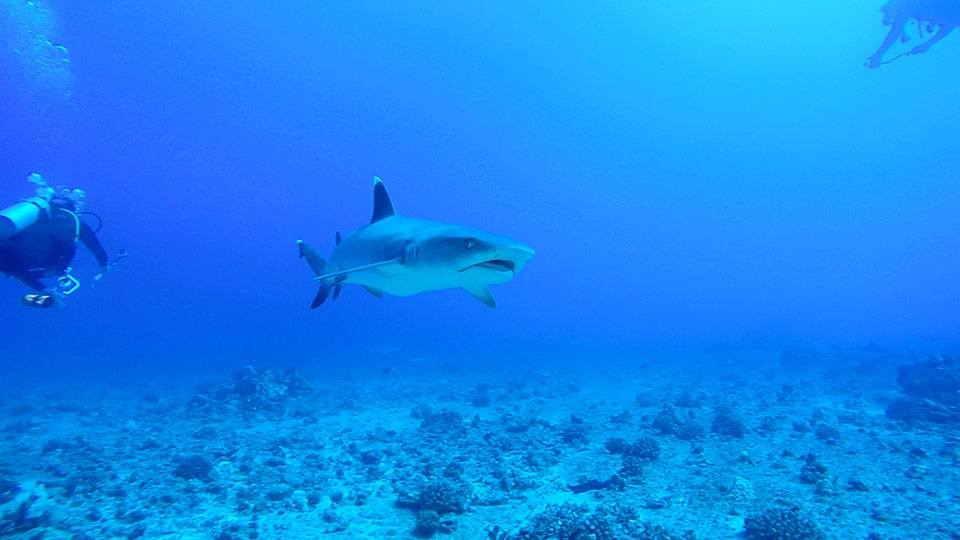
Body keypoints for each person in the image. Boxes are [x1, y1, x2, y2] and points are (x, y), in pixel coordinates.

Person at [0, 174, 111, 308]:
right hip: (29, 260)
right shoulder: (76, 222)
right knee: (33, 271)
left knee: (18, 266)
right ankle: (45, 291)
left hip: (8, 249)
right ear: (73, 208)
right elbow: (96, 248)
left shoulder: (39, 216)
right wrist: (104, 265)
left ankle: (44, 290)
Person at [866, 0, 960, 68]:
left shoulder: (906, 5)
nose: (889, 18)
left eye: (886, 13)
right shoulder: (906, 6)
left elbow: (895, 32)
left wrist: (928, 44)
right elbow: (897, 30)